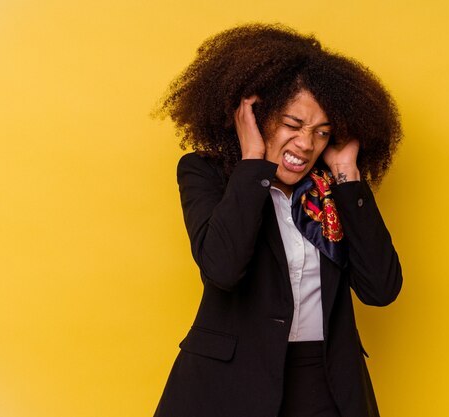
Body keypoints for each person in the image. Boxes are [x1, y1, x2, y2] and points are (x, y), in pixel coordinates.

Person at [153, 23, 403, 417]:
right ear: (254, 116)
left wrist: (346, 175)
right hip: (227, 385)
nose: (306, 144)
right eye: (292, 125)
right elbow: (222, 267)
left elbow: (381, 289)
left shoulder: (332, 189)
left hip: (326, 382)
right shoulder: (208, 174)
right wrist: (253, 161)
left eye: (322, 132)